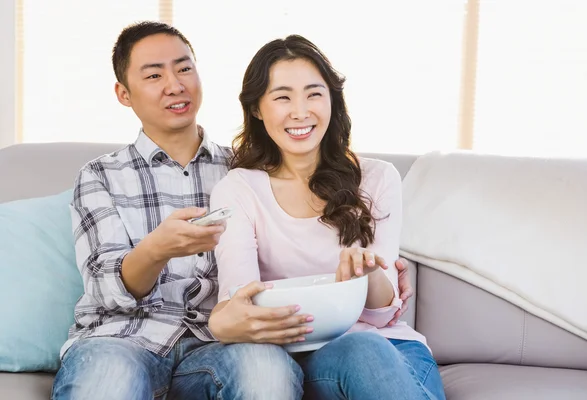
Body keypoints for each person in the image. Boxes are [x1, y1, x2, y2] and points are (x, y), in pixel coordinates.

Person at [51, 21, 304, 400]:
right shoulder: (99, 175)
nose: (175, 84)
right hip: (123, 338)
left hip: (220, 341)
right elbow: (105, 289)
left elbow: (287, 255)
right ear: (124, 93)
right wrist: (158, 249)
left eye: (184, 68)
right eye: (154, 75)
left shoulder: (246, 170)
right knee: (108, 380)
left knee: (266, 371)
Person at [208, 35, 446, 399]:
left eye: (314, 94)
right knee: (360, 350)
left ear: (333, 100)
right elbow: (240, 303)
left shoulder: (378, 178)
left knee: (368, 348)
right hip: (305, 358)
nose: (301, 111)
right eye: (283, 96)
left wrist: (369, 274)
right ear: (257, 108)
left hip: (393, 350)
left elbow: (384, 316)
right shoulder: (238, 190)